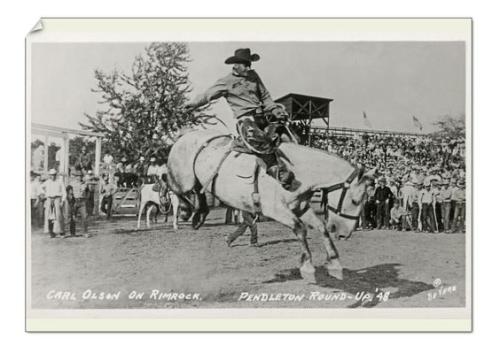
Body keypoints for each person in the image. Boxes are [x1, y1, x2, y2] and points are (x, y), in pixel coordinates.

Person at [185, 48, 292, 188]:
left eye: (249, 64)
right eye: (245, 65)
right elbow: (207, 95)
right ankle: (278, 173)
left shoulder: (254, 76)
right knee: (262, 141)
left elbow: (265, 97)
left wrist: (275, 109)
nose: (248, 67)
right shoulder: (226, 82)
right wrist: (193, 104)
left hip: (263, 117)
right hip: (246, 121)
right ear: (235, 65)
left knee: (288, 136)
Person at [64, 169, 90, 238]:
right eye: (77, 176)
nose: (79, 177)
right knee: (73, 217)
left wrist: (86, 198)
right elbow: (68, 192)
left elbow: (88, 192)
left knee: (84, 217)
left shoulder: (84, 184)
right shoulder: (71, 183)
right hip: (74, 201)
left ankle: (85, 232)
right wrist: (70, 201)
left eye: (80, 176)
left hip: (82, 201)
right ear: (75, 176)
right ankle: (72, 233)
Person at [41, 169, 65, 237]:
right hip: (49, 199)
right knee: (49, 216)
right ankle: (51, 233)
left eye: (54, 175)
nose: (53, 176)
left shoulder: (60, 182)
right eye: (51, 175)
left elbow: (64, 192)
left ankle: (61, 232)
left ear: (56, 175)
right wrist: (45, 194)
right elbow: (41, 188)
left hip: (57, 199)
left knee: (59, 216)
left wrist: (62, 201)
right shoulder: (47, 182)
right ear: (49, 175)